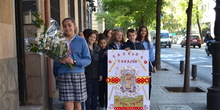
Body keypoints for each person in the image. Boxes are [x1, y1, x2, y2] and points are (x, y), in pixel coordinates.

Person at [54, 17, 91, 110]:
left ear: (74, 27)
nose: (67, 28)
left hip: (78, 74)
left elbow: (88, 59)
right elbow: (55, 58)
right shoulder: (59, 41)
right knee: (68, 104)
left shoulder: (81, 41)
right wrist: (58, 64)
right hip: (64, 74)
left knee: (78, 103)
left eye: (69, 25)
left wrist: (74, 61)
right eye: (65, 26)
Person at [136, 25, 157, 99]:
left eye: (145, 31)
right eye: (142, 31)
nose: (143, 32)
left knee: (147, 83)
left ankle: (147, 100)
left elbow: (151, 56)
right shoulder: (135, 42)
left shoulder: (149, 43)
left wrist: (154, 66)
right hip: (137, 65)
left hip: (146, 66)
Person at [84, 30, 101, 110]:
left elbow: (100, 63)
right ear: (88, 37)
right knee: (87, 94)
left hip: (96, 74)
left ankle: (93, 108)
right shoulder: (84, 47)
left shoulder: (98, 49)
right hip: (86, 74)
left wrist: (100, 74)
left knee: (95, 93)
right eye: (91, 37)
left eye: (94, 37)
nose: (92, 39)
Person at [98, 36, 108, 110]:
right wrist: (100, 74)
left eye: (104, 43)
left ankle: (107, 105)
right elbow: (99, 63)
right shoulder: (98, 51)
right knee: (101, 91)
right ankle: (102, 105)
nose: (103, 45)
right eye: (101, 43)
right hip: (102, 74)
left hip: (108, 73)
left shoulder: (110, 50)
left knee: (107, 90)